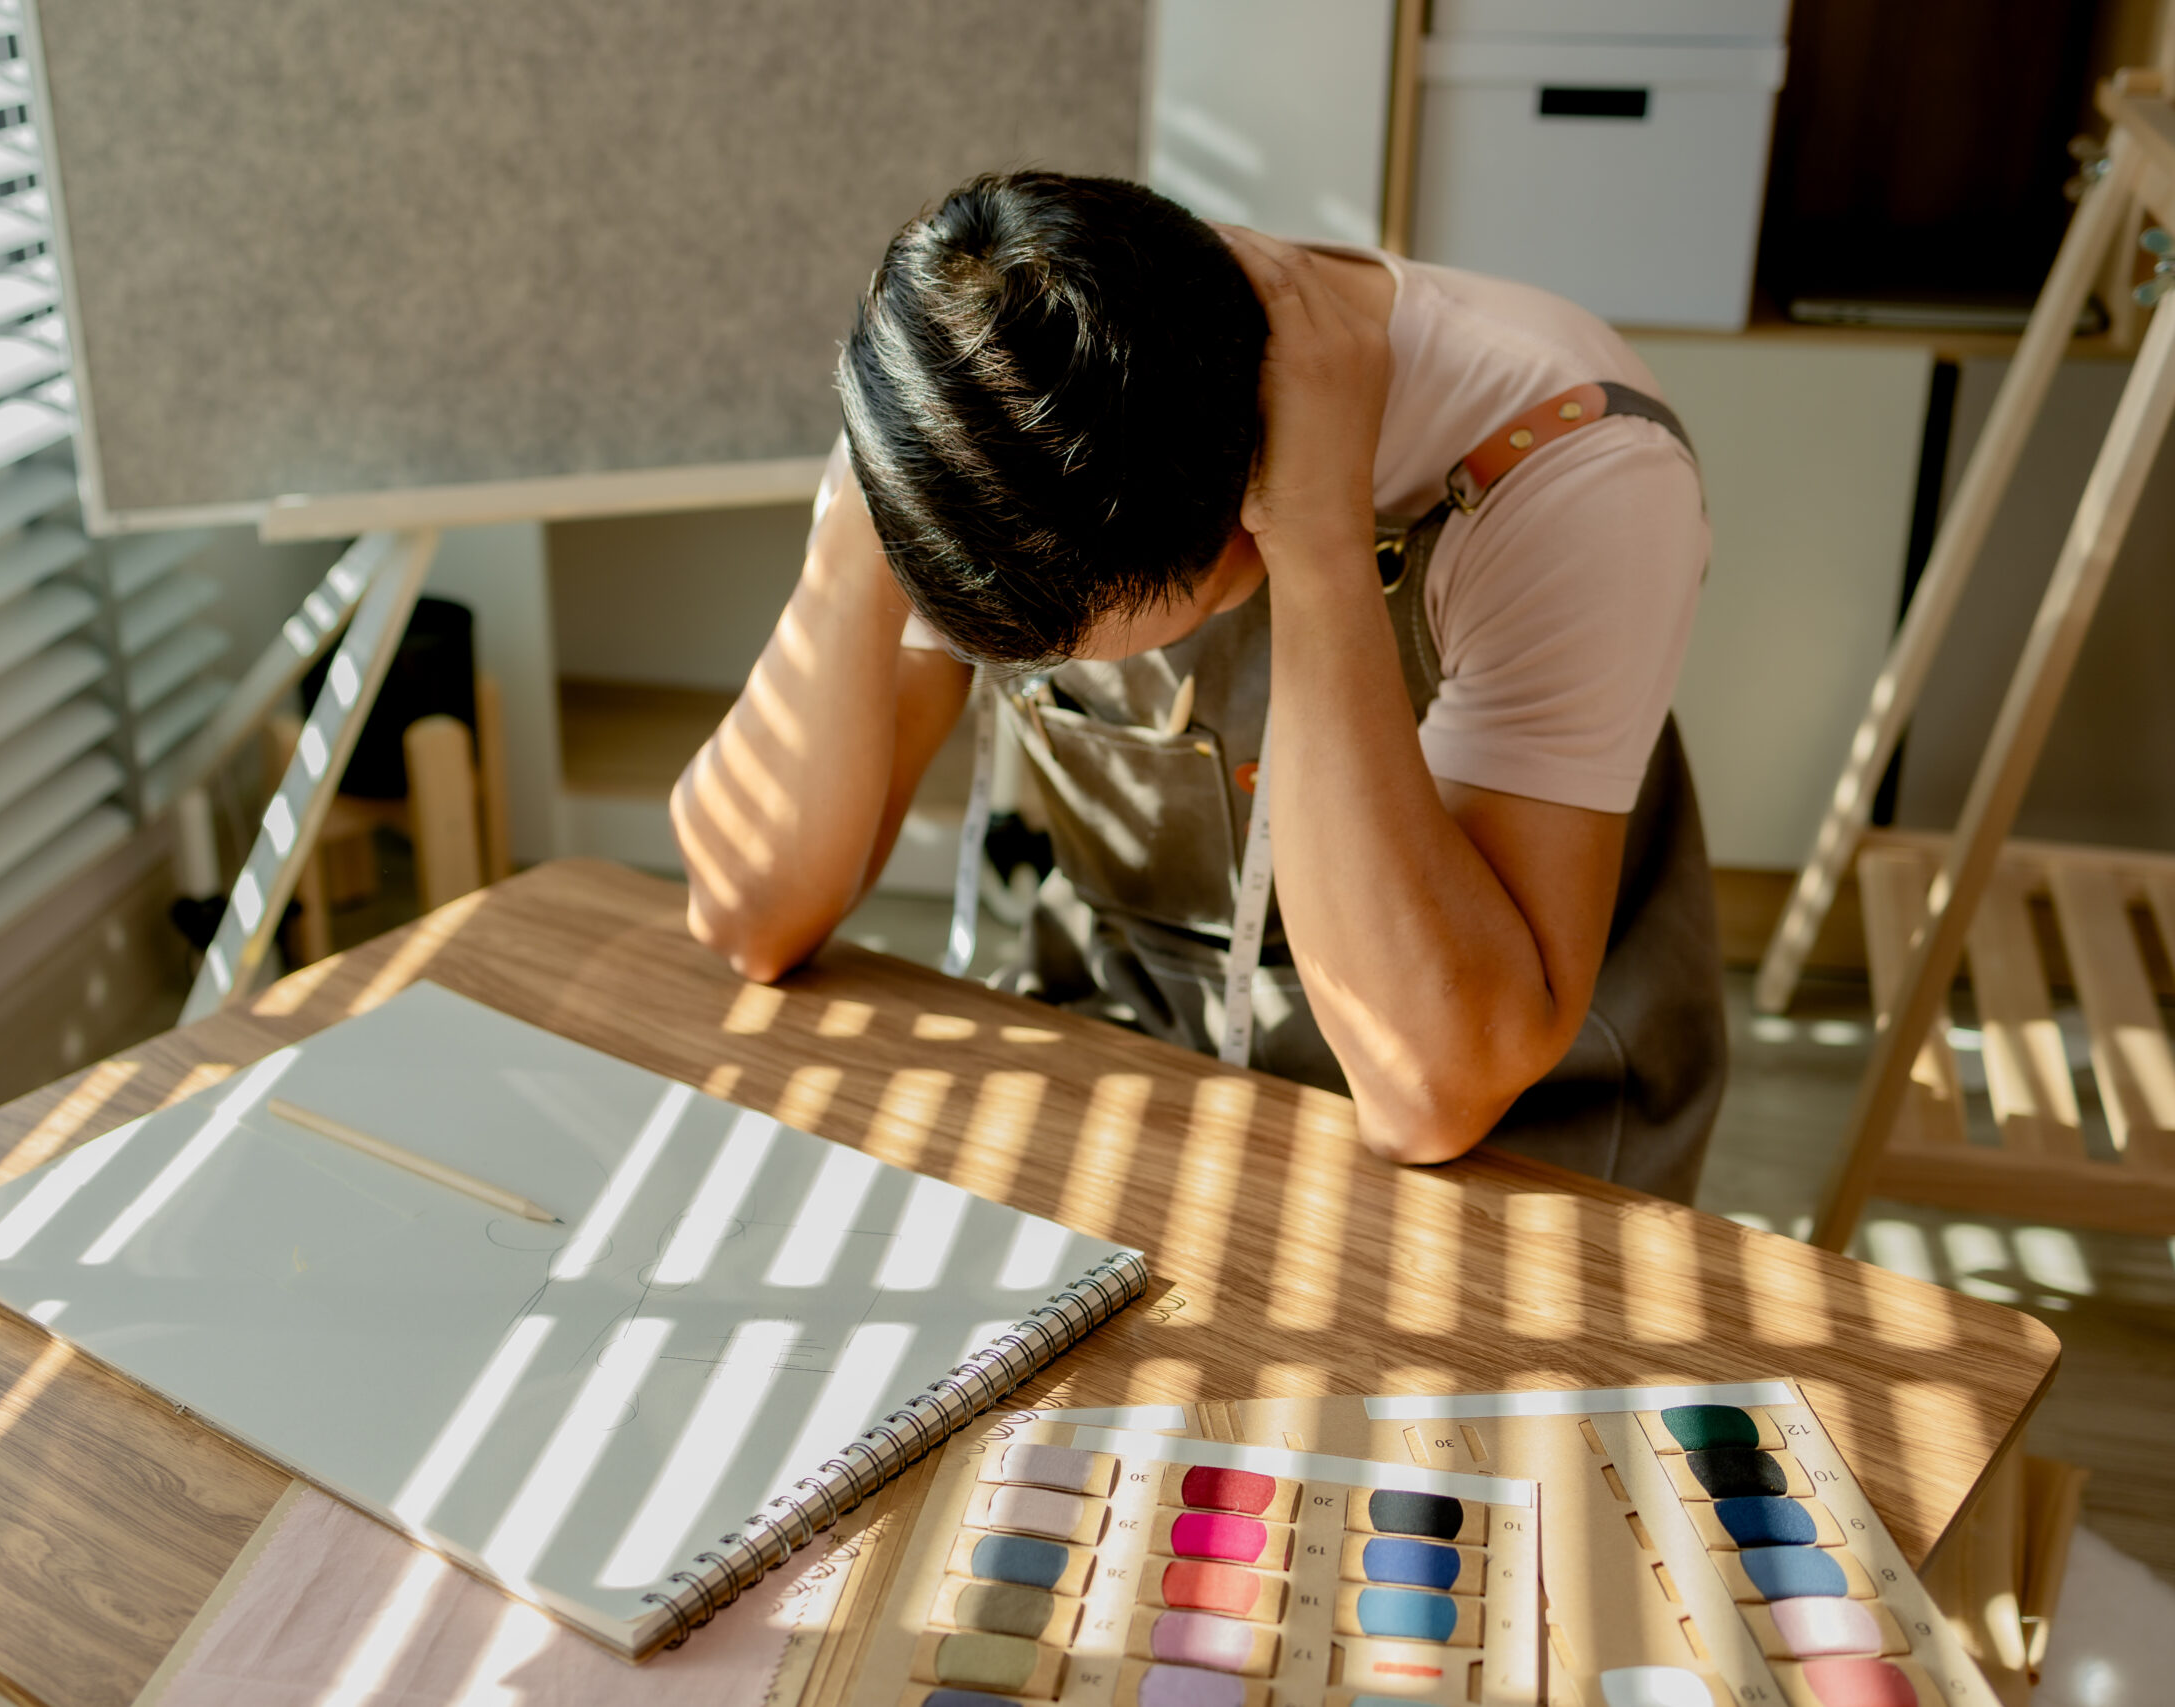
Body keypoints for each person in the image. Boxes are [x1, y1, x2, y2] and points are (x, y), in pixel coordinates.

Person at [670, 172, 1725, 1201]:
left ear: (1237, 526)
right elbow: (749, 914)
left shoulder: (1569, 464)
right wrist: (877, 503)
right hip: (1137, 1063)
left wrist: (1319, 545)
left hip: (1519, 1146)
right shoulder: (994, 402)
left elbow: (1429, 1093)